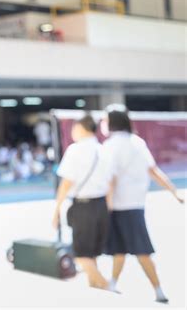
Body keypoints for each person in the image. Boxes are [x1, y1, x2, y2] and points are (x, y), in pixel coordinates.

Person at [102, 104, 184, 303]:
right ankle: (113, 283)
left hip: (120, 207)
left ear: (111, 122)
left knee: (139, 251)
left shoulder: (111, 146)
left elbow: (110, 180)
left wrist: (107, 207)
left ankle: (158, 290)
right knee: (120, 250)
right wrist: (174, 192)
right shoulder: (138, 142)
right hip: (135, 205)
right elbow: (154, 171)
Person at [52, 115, 112, 289]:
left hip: (83, 206)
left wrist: (56, 210)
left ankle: (106, 285)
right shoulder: (104, 149)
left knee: (80, 254)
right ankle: (95, 287)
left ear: (82, 128)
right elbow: (111, 182)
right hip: (101, 205)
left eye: (74, 128)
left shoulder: (75, 150)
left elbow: (66, 184)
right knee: (92, 253)